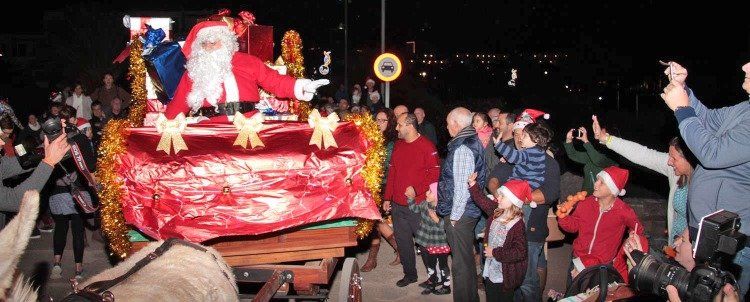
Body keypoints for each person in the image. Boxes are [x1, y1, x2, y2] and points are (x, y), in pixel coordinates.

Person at [660, 61, 750, 297]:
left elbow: (712, 154)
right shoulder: (745, 109)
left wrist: (681, 109)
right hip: (710, 236)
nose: (745, 66)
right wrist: (684, 89)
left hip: (733, 244)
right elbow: (708, 119)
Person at [163, 21, 328, 120]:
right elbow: (177, 106)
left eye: (214, 43)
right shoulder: (195, 71)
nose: (209, 48)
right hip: (211, 132)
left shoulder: (248, 62)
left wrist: (302, 86)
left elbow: (275, 82)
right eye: (204, 44)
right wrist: (162, 127)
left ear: (226, 42)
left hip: (249, 126)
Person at [486, 119, 561, 302]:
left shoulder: (548, 162)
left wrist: (517, 198)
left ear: (534, 139)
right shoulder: (512, 159)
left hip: (530, 230)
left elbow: (550, 193)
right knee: (510, 278)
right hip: (507, 227)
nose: (518, 138)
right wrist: (499, 194)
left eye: (523, 134)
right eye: (516, 134)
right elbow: (493, 180)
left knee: (527, 279)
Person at [593, 115, 695, 243]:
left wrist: (688, 243)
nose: (669, 162)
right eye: (669, 156)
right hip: (674, 246)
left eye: (674, 158)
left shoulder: (708, 184)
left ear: (689, 159)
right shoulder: (676, 172)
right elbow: (642, 154)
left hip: (694, 252)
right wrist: (606, 139)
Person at [558, 166, 649, 283]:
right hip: (578, 257)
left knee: (594, 294)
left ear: (613, 189)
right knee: (572, 290)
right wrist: (564, 217)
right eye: (597, 180)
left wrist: (632, 235)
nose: (596, 184)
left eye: (602, 183)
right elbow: (573, 227)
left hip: (602, 263)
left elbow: (637, 229)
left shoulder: (623, 211)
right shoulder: (585, 203)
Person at [383, 113, 440, 287]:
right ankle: (410, 274)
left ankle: (433, 277)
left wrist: (417, 189)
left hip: (418, 204)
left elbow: (435, 173)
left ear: (409, 125)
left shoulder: (427, 146)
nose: (397, 128)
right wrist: (387, 197)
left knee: (424, 242)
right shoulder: (399, 146)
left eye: (399, 125)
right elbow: (392, 172)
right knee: (403, 241)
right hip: (397, 205)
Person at [436, 107, 486, 302]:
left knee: (461, 267)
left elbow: (462, 187)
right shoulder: (470, 141)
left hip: (461, 214)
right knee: (465, 261)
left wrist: (455, 217)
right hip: (469, 211)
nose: (447, 127)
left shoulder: (463, 146)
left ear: (456, 124)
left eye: (448, 123)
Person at [469, 176, 529, 302]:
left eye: (502, 196)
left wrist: (495, 252)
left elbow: (520, 252)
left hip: (505, 275)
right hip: (492, 268)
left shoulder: (517, 224)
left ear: (514, 201)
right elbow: (482, 201)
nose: (498, 198)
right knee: (491, 295)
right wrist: (473, 184)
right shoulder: (497, 211)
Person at [361, 108, 401, 272]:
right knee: (373, 222)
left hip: (384, 185)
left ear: (390, 122)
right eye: (377, 119)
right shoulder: (370, 137)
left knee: (375, 221)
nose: (379, 123)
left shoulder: (392, 142)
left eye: (383, 120)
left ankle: (374, 258)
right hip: (370, 185)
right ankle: (399, 250)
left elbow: (388, 166)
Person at [406, 182, 451, 295]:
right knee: (430, 265)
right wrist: (411, 198)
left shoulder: (443, 210)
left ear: (437, 195)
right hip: (427, 241)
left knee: (443, 265)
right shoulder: (425, 204)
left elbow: (448, 226)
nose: (426, 192)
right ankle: (432, 283)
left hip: (440, 243)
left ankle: (446, 286)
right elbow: (414, 209)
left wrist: (437, 219)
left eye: (430, 191)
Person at [564, 125, 617, 194]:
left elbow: (598, 160)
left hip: (601, 198)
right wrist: (569, 140)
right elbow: (573, 155)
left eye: (602, 132)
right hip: (585, 196)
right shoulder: (594, 153)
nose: (598, 133)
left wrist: (586, 141)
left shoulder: (613, 158)